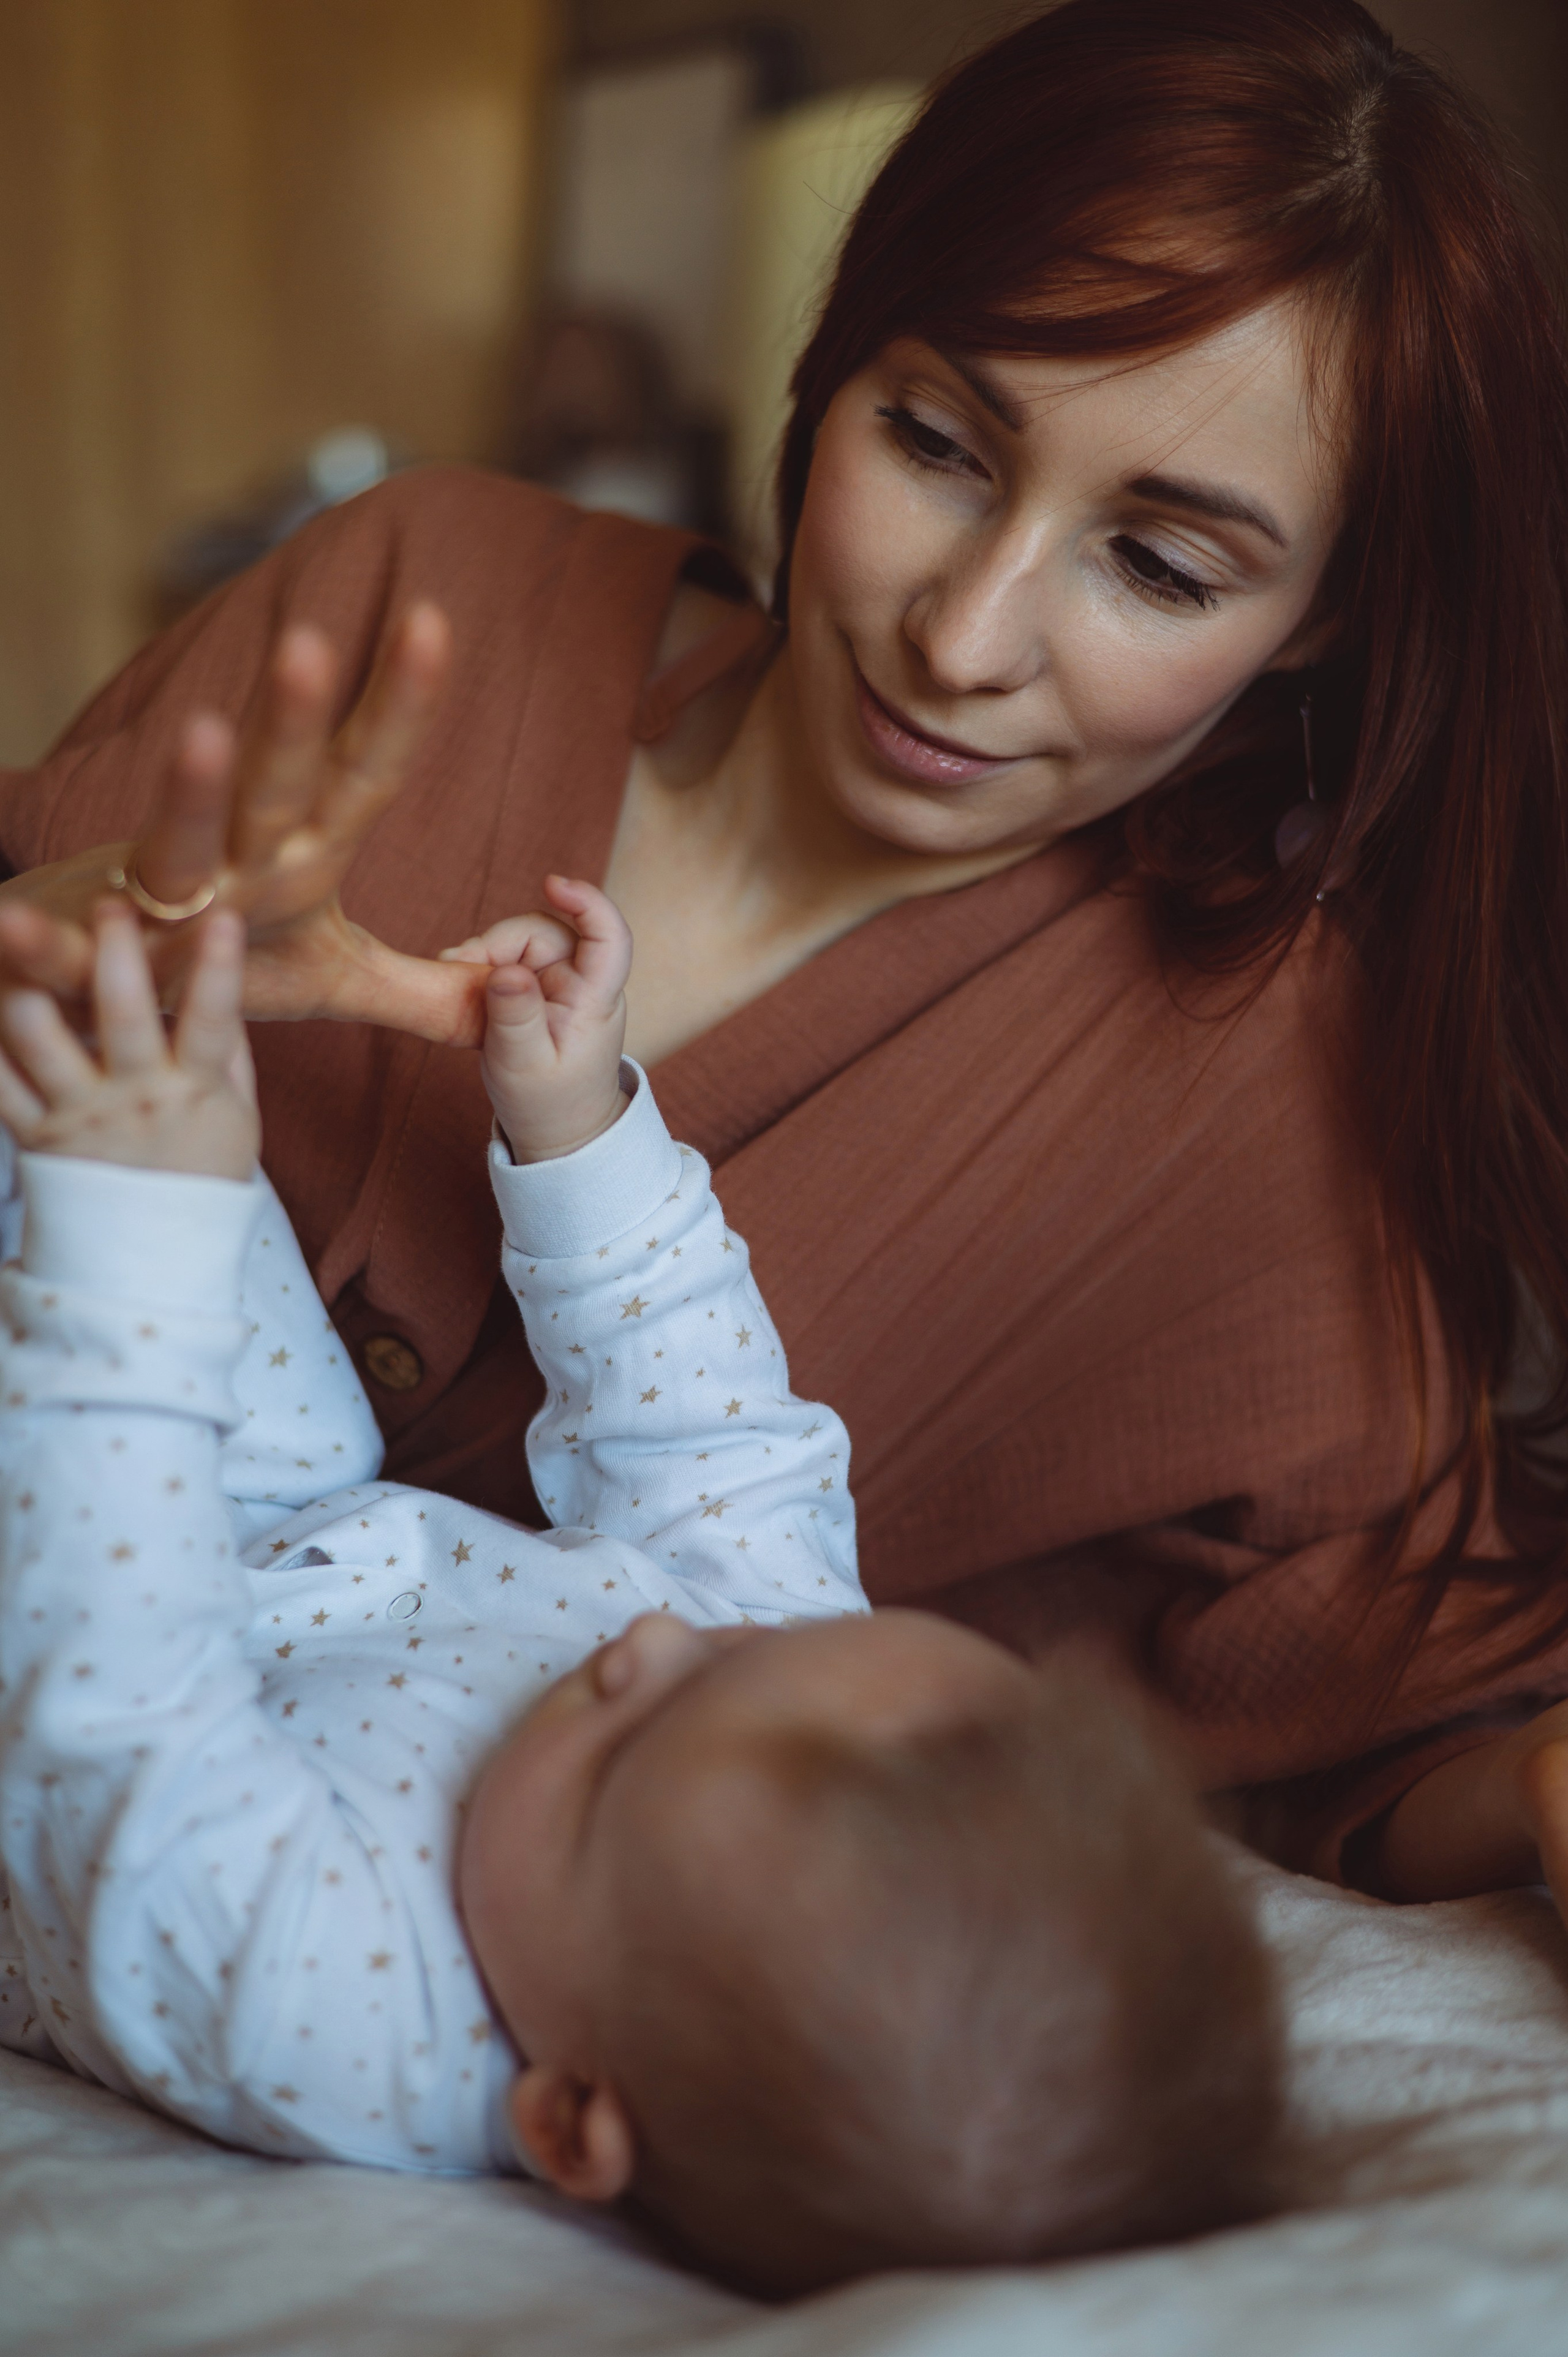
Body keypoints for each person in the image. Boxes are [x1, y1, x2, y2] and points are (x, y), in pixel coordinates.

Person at [0, 0, 1565, 1892]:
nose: (961, 637)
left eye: (1162, 566)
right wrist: (71, 947)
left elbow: (1389, 1719)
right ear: (833, 369)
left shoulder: (1255, 1082)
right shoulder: (417, 588)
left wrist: (1535, 1803)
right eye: (937, 442)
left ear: (1321, 619)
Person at [0, 886, 1278, 2296]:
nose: (650, 1643)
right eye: (735, 1649)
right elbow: (702, 1433)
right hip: (286, 1501)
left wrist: (133, 1260)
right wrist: (579, 1128)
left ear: (569, 2117)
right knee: (131, 1110)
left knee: (135, 1221)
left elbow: (116, 1703)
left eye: (617, 1762)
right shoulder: (790, 1688)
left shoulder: (334, 2009)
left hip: (54, 1652)